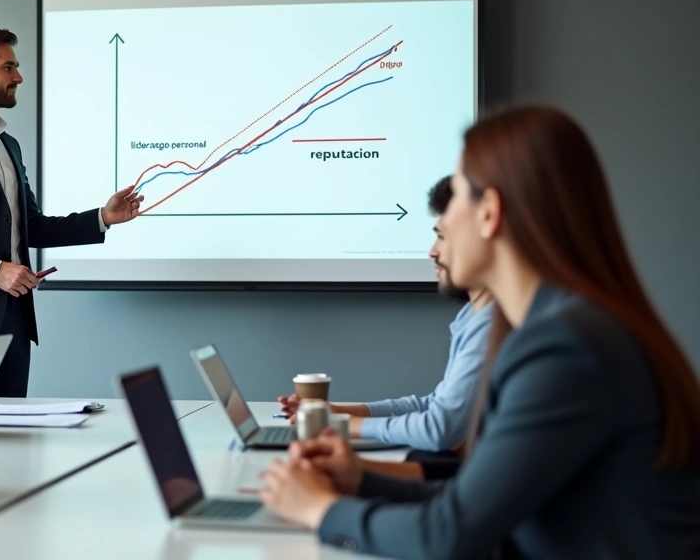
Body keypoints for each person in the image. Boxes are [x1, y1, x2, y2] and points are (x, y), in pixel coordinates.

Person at [259, 105, 700, 559]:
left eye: (455, 199)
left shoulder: (566, 347)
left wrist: (319, 510)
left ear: (490, 212)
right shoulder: (566, 326)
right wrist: (361, 481)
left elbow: (447, 537)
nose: (443, 223)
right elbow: (475, 506)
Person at [0, 26, 143, 397]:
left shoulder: (8, 145)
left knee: (11, 442)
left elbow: (29, 226)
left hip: (14, 319)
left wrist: (102, 217)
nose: (18, 77)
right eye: (8, 67)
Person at [279, 176, 493, 460]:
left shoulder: (492, 324)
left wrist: (341, 425)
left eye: (442, 236)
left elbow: (439, 428)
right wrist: (342, 412)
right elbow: (432, 405)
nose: (432, 251)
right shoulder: (472, 314)